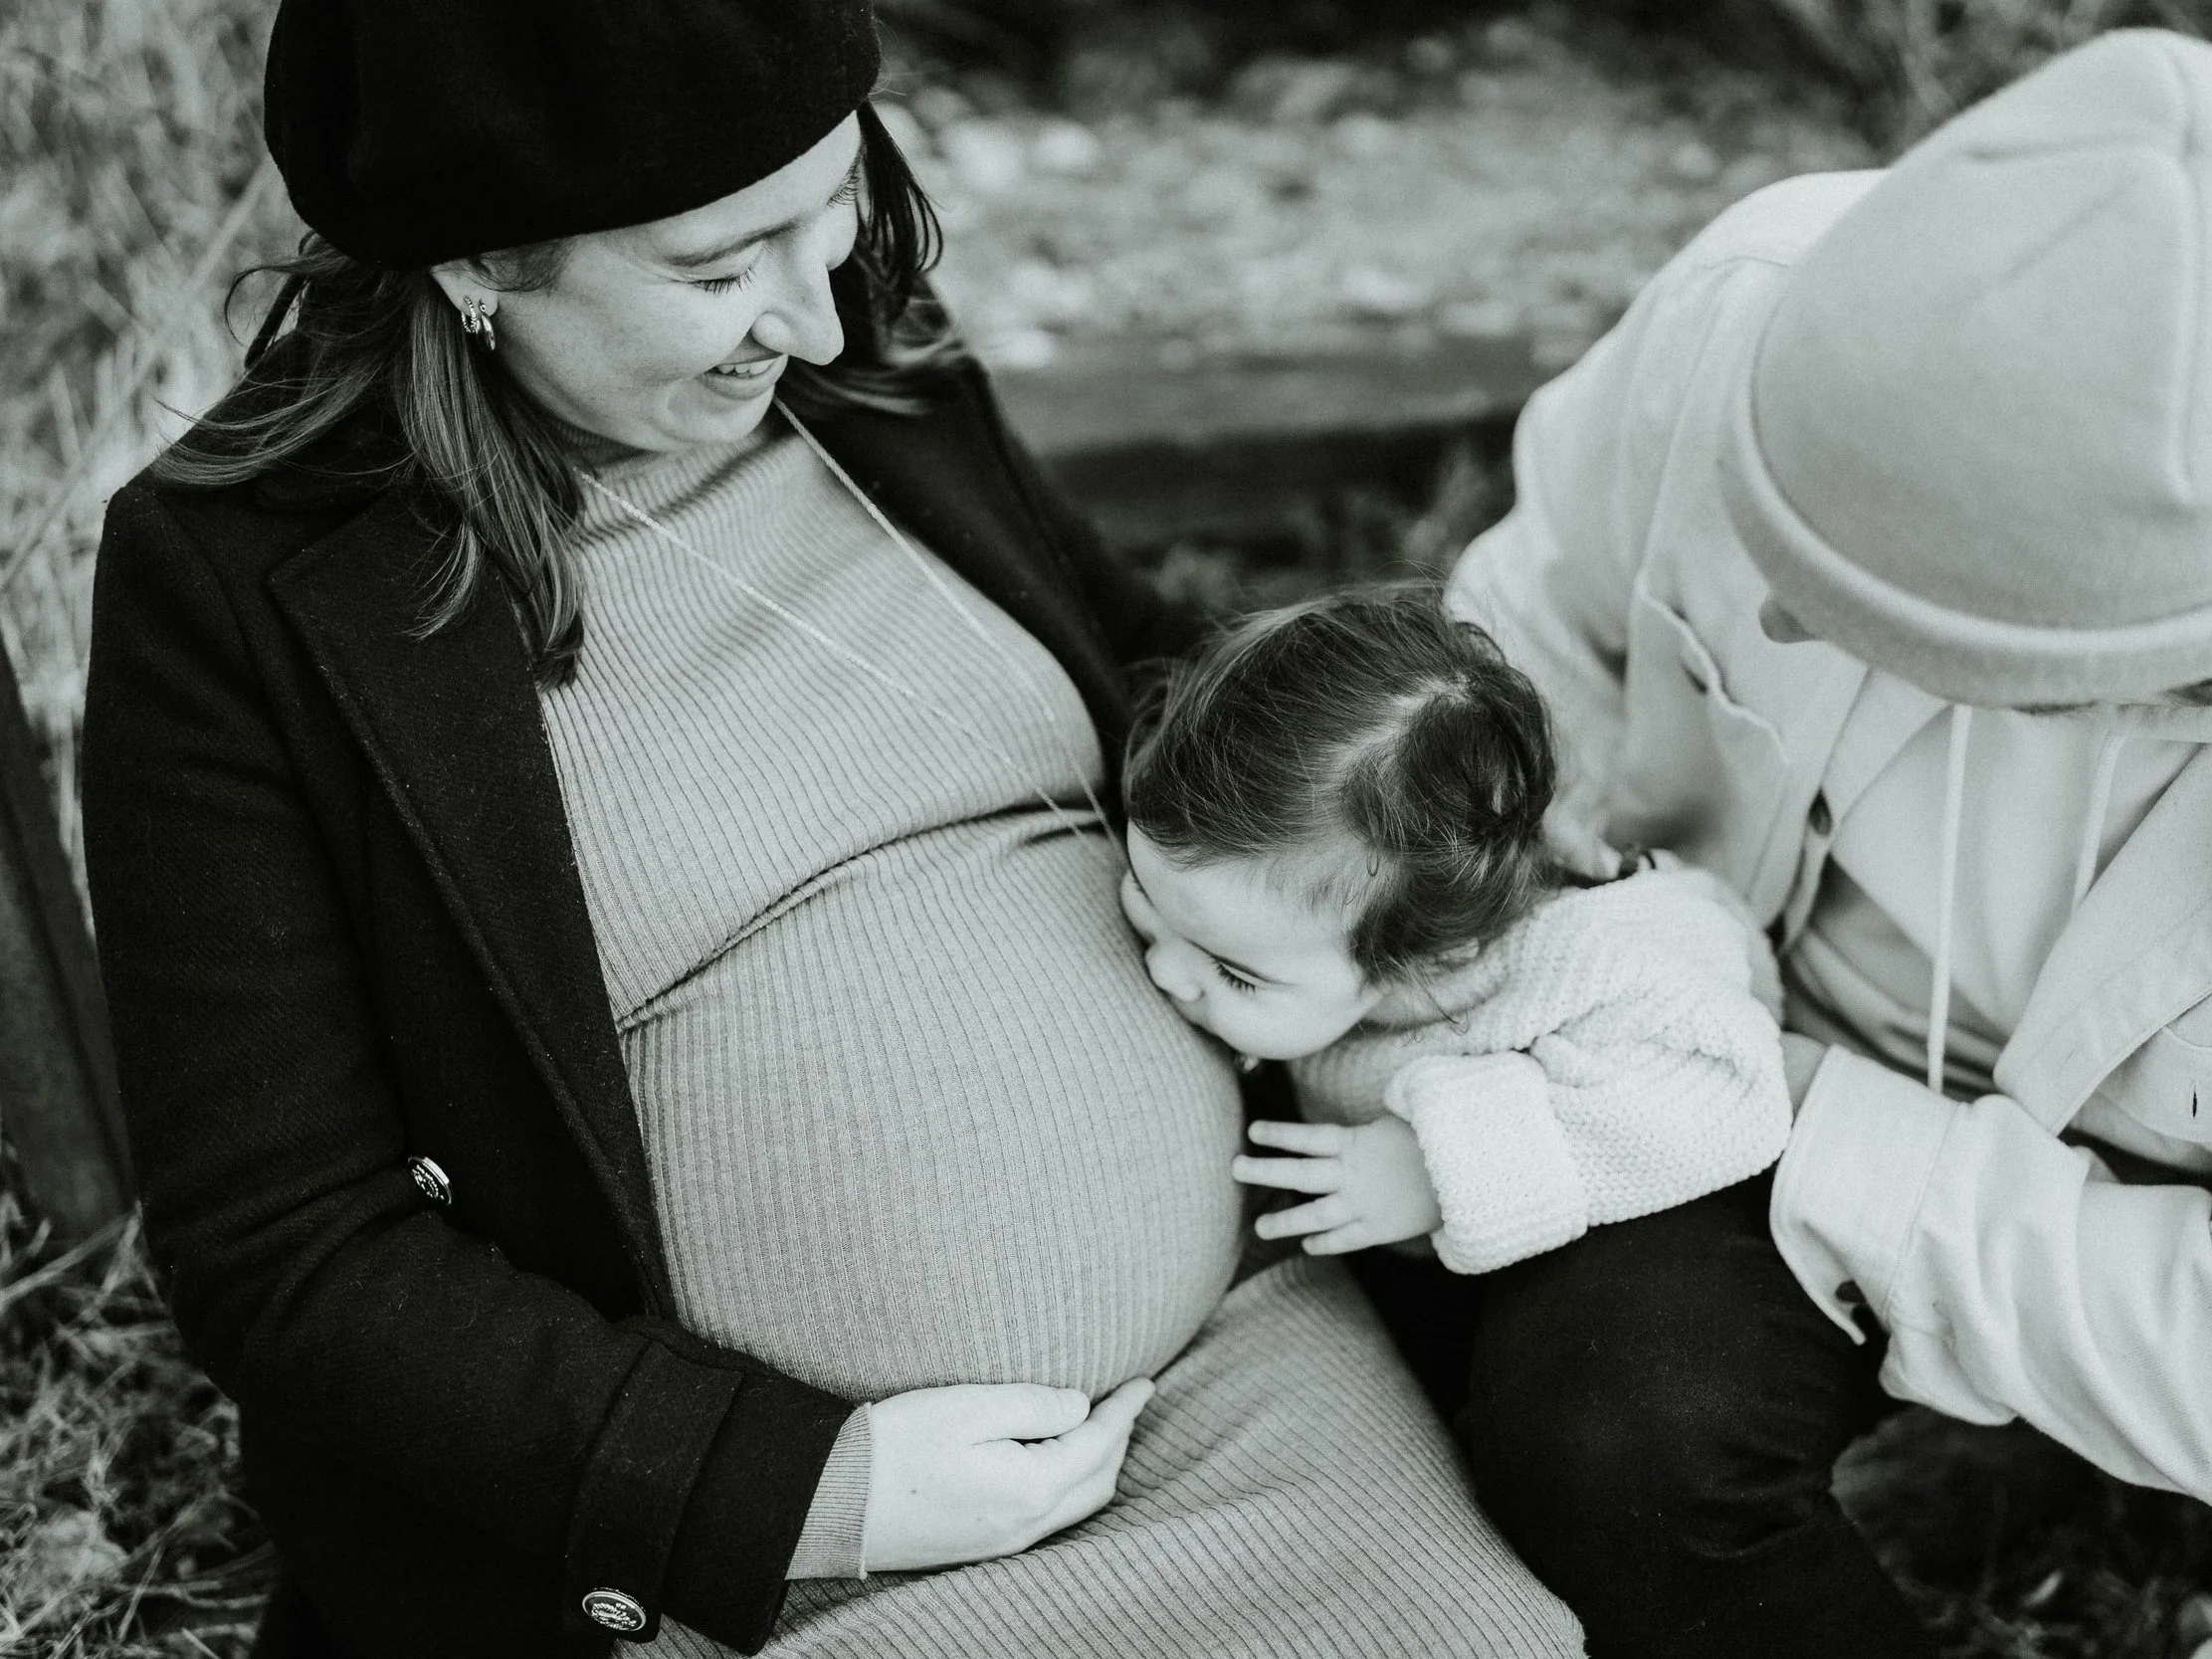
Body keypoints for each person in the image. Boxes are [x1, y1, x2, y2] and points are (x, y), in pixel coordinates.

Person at [77, 2, 1584, 1655]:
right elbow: (284, 1246)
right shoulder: (241, 585)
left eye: (835, 206)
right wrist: (791, 1485)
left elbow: (1144, 661)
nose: (806, 320)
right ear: (477, 261)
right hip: (769, 1561)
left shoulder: (861, 354)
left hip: (1240, 1388)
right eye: (717, 269)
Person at [1435, 26, 2212, 1659]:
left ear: (2145, 676)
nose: (1772, 607)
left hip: (2183, 1237)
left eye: (1872, 608)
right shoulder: (1776, 295)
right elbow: (1534, 624)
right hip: (1713, 1024)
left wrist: (1778, 1109)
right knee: (1612, 1420)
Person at [1115, 583, 1787, 1287]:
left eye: (1235, 974)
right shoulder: (1290, 920)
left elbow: (1736, 1091)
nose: (1165, 969)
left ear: (1425, 964)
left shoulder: (1599, 964)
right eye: (1145, 892)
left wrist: (1437, 1166)